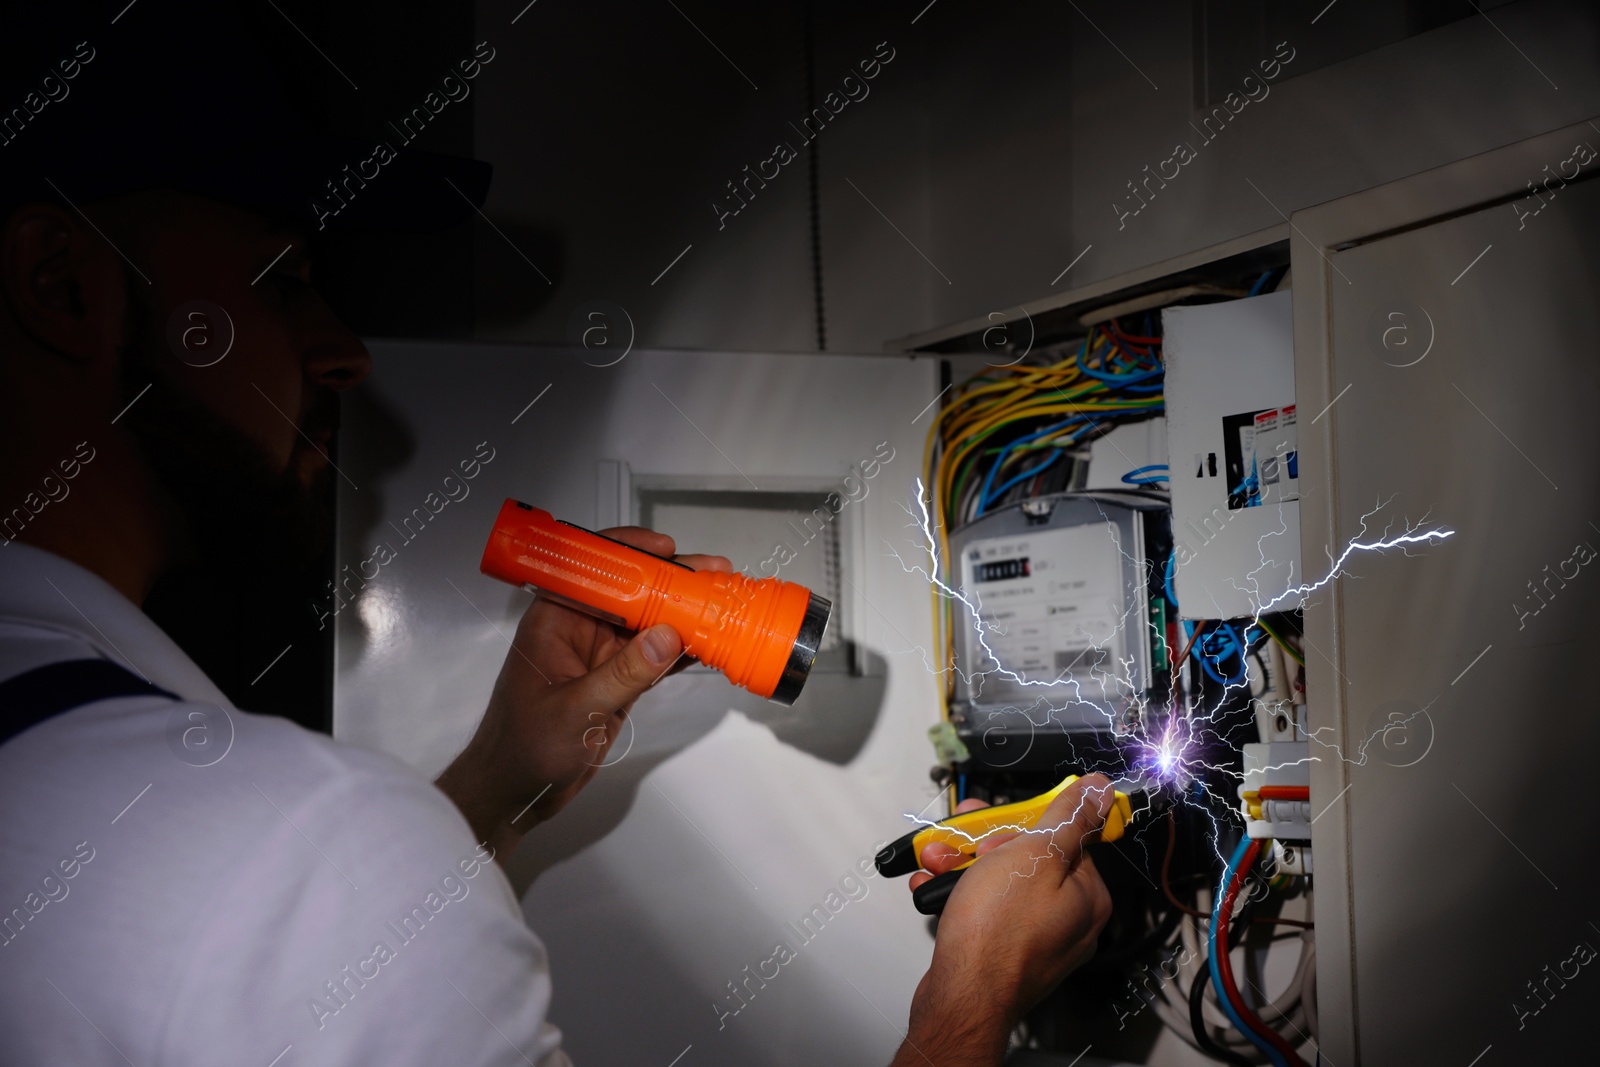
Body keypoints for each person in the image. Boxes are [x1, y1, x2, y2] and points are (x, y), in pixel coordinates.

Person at [0, 4, 1112, 1065]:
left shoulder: (108, 786)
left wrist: (491, 789)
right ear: (61, 286)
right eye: (280, 277)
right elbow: (294, 907)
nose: (343, 350)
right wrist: (972, 994)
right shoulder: (297, 840)